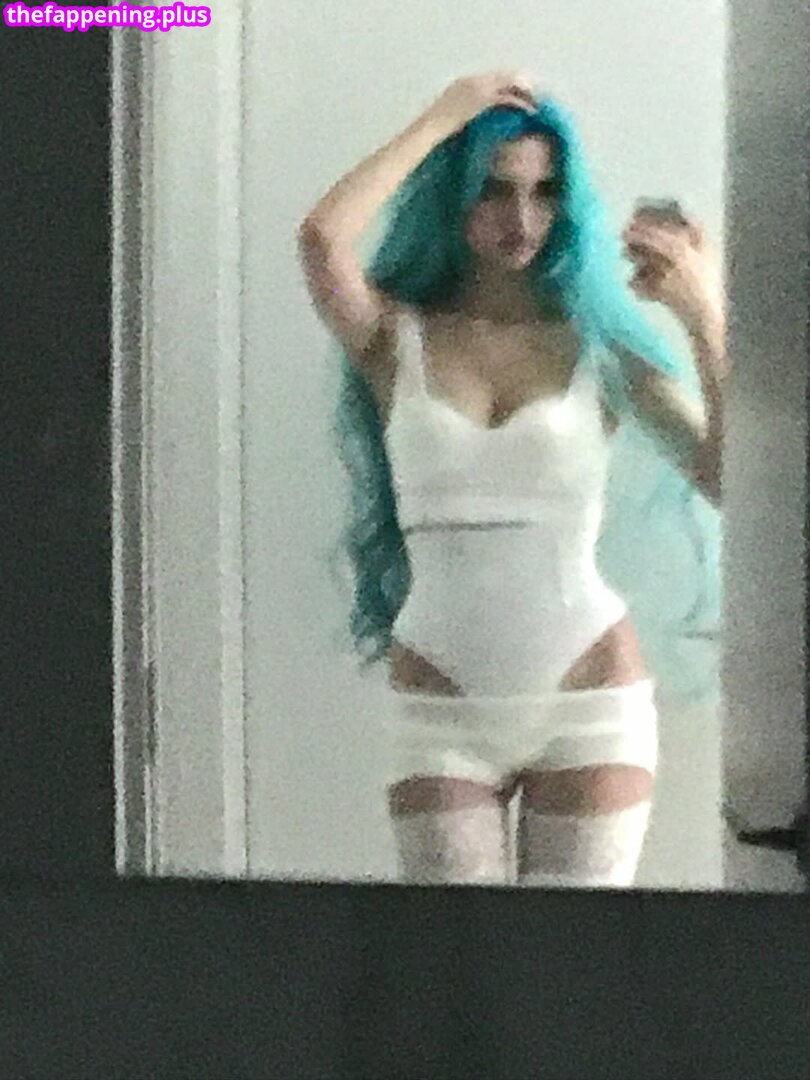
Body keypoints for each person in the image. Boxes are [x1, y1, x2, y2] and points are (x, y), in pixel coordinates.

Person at [297, 71, 727, 888]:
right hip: (440, 706)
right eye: (492, 190)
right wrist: (444, 115)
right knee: (455, 957)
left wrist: (704, 317)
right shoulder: (396, 336)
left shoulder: (599, 344)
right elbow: (322, 240)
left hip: (592, 697)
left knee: (574, 959)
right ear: (453, 197)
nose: (520, 219)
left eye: (543, 193)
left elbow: (731, 480)